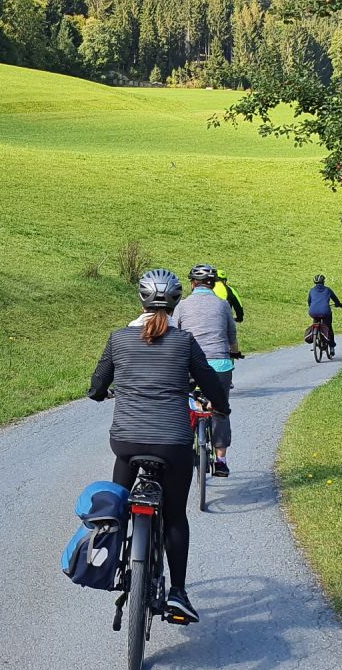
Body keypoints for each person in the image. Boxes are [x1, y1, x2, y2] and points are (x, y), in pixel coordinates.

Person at [90, 269, 230, 624]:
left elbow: (97, 384)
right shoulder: (183, 342)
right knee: (176, 516)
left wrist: (100, 393)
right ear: (176, 302)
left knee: (119, 504)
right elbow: (210, 383)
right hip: (173, 443)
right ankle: (178, 594)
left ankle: (112, 565)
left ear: (140, 300)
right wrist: (221, 406)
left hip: (126, 441)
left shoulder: (118, 338)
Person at [174, 263, 241, 478]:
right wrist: (235, 352)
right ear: (212, 284)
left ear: (193, 284)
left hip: (190, 365)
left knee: (182, 406)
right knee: (220, 409)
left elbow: (174, 333)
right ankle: (220, 460)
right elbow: (232, 336)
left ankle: (181, 451)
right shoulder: (222, 305)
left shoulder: (182, 306)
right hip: (219, 365)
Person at [308, 274, 342, 353]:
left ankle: (315, 338)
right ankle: (331, 346)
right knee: (329, 327)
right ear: (323, 282)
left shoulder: (311, 290)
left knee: (315, 323)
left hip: (313, 311)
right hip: (325, 312)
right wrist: (339, 304)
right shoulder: (328, 290)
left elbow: (309, 302)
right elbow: (335, 299)